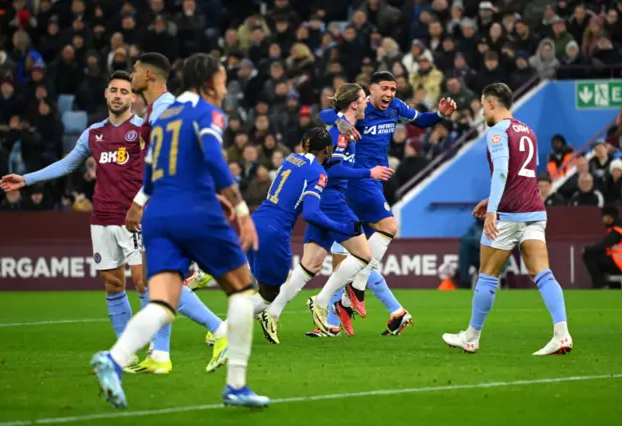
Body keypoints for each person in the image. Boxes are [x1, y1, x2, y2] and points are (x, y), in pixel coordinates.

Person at [0, 71, 227, 375]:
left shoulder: (143, 130)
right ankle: (126, 353)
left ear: (133, 97)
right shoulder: (93, 133)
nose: (119, 95)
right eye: (114, 90)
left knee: (148, 281)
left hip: (135, 217)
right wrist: (25, 179)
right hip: (101, 218)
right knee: (113, 283)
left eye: (124, 91)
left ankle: (214, 327)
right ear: (106, 94)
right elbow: (68, 165)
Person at [90, 53, 269, 409]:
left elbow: (152, 165)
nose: (224, 87)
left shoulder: (164, 115)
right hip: (196, 213)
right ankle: (236, 384)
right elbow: (215, 157)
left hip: (159, 216)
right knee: (242, 291)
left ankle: (114, 358)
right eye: (221, 80)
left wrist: (140, 203)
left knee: (162, 302)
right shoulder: (207, 112)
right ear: (207, 83)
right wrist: (242, 208)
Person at [314, 71, 456, 326]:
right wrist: (340, 122)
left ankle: (336, 318)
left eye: (393, 89)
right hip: (359, 181)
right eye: (385, 89)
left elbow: (420, 120)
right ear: (372, 90)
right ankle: (352, 293)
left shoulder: (395, 108)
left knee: (347, 251)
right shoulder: (360, 109)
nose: (390, 94)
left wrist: (440, 115)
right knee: (387, 229)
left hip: (375, 183)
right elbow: (325, 114)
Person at [442, 82, 572, 356]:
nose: (480, 112)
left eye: (481, 105)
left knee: (487, 275)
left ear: (490, 103)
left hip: (510, 214)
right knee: (543, 273)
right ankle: (562, 334)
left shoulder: (497, 132)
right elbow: (522, 176)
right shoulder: (529, 132)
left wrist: (493, 210)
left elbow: (502, 172)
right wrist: (491, 200)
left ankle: (471, 337)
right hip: (535, 211)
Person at [122, 52, 227, 375]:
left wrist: (141, 200)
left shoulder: (167, 108)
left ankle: (220, 329)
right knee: (162, 276)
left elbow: (172, 159)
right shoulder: (156, 109)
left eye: (136, 71)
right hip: (171, 198)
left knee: (161, 277)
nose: (132, 76)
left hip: (170, 199)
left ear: (150, 75)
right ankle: (160, 354)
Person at [248, 126, 364, 343]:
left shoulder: (290, 159)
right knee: (270, 293)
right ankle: (221, 329)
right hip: (275, 230)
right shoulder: (318, 173)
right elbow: (310, 213)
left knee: (261, 287)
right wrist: (342, 228)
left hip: (256, 220)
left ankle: (236, 323)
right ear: (328, 149)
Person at [582, 205, 622, 289]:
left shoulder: (617, 230)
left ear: (611, 218)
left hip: (619, 263)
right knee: (597, 256)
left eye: (604, 216)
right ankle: (612, 285)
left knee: (589, 255)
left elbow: (603, 245)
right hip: (617, 262)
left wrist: (587, 248)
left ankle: (600, 284)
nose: (603, 219)